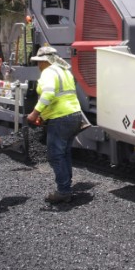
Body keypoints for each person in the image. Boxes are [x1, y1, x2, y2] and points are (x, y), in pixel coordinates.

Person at [26, 46, 83, 204]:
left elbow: (49, 93)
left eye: (39, 62)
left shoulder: (48, 72)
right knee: (64, 153)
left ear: (45, 61)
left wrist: (35, 113)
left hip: (61, 118)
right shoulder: (64, 71)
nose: (38, 66)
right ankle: (66, 186)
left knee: (55, 156)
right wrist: (44, 116)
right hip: (74, 115)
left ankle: (63, 191)